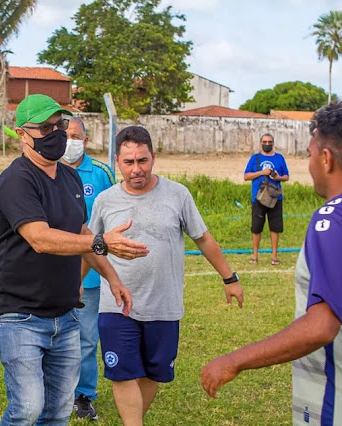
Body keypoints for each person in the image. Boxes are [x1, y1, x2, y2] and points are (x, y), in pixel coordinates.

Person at [0, 94, 149, 426]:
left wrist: (113, 278)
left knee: (59, 412)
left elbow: (80, 232)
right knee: (27, 409)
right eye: (45, 128)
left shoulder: (69, 177)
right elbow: (40, 237)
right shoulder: (16, 180)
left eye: (60, 125)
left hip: (65, 314)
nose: (56, 133)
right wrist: (101, 240)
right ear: (21, 133)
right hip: (21, 315)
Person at [88, 126, 244, 425]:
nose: (137, 169)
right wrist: (77, 285)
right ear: (117, 162)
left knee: (153, 372)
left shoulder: (177, 194)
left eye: (142, 161)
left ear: (153, 158)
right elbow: (91, 246)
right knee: (122, 372)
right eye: (129, 162)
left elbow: (204, 239)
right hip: (117, 303)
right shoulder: (105, 201)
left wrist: (230, 278)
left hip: (164, 304)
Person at [202, 103, 342, 425]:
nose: (309, 164)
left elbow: (322, 325)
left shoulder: (331, 220)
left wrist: (235, 359)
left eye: (309, 155)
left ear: (326, 158)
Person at [60, 116, 115, 420]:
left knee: (85, 337)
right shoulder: (48, 171)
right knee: (51, 334)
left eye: (76, 136)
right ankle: (56, 391)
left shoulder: (101, 173)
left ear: (86, 139)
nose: (71, 141)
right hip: (54, 270)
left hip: (90, 274)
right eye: (67, 135)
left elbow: (115, 216)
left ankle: (84, 395)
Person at [243, 133, 290, 265]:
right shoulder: (255, 158)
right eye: (265, 142)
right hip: (258, 198)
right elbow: (246, 176)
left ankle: (274, 256)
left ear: (273, 143)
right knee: (256, 227)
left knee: (275, 227)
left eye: (270, 142)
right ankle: (255, 255)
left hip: (275, 198)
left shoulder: (280, 158)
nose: (267, 144)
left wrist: (278, 177)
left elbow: (286, 176)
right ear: (260, 143)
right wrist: (261, 173)